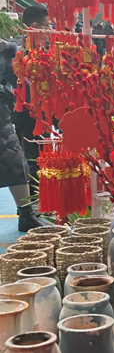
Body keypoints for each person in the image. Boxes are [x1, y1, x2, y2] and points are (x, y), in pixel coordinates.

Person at [0, 40, 43, 231]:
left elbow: (17, 79)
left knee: (15, 164)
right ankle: (26, 215)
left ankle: (26, 215)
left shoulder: (6, 51)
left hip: (2, 120)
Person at [13, 6, 50, 181]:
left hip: (44, 112)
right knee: (33, 159)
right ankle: (37, 202)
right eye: (47, 26)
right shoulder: (15, 51)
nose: (50, 31)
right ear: (36, 26)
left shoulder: (45, 49)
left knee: (46, 156)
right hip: (27, 114)